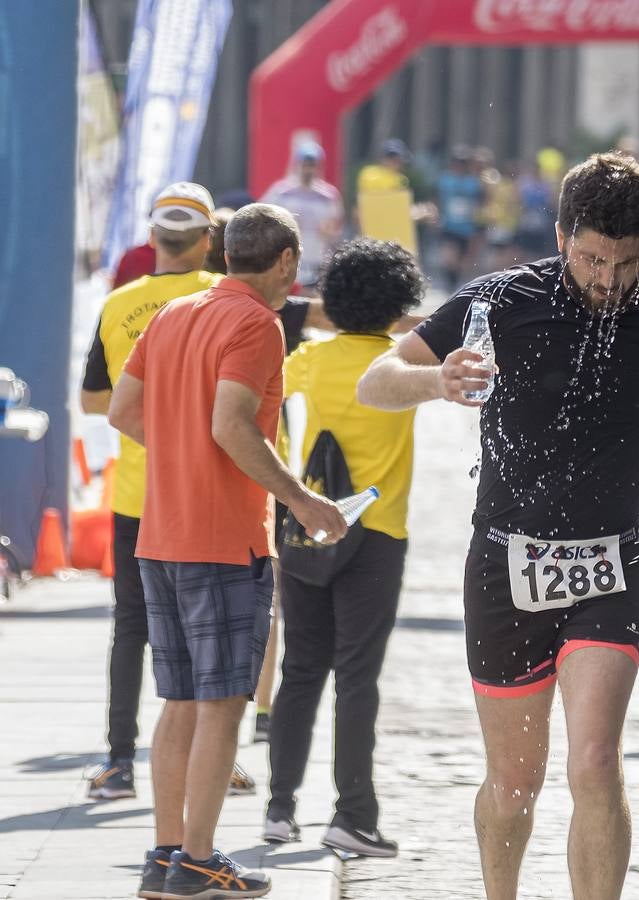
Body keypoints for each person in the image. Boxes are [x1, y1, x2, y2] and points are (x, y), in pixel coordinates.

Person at [356, 152, 639, 900]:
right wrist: (436, 379)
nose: (607, 279)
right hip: (504, 563)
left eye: (625, 262)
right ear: (561, 235)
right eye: (591, 257)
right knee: (514, 782)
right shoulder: (496, 300)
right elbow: (375, 382)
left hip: (611, 564)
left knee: (593, 761)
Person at [107, 203, 348, 899]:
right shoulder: (256, 323)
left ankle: (164, 855)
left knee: (180, 701)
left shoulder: (174, 313)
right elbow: (231, 424)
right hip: (222, 536)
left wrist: (180, 454)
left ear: (221, 251)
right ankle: (203, 859)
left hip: (162, 532)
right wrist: (302, 500)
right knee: (221, 704)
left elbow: (124, 411)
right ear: (286, 263)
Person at [262, 239, 425, 858]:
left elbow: (279, 427)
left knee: (300, 670)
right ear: (397, 302)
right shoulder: (396, 364)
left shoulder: (303, 359)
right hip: (378, 533)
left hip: (304, 525)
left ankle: (280, 809)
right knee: (358, 676)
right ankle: (353, 812)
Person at [81, 182, 230, 801]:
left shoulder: (119, 305)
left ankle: (119, 761)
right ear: (207, 240)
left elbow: (92, 400)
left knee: (131, 627)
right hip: (206, 495)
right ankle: (212, 757)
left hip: (136, 495)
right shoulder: (225, 298)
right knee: (208, 630)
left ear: (151, 239)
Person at [262, 141, 344, 292]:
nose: (308, 169)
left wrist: (329, 232)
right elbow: (263, 219)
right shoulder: (280, 192)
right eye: (305, 164)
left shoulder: (328, 195)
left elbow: (336, 227)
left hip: (317, 258)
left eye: (312, 165)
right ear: (297, 164)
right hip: (288, 257)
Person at [436, 145, 484, 290]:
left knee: (463, 260)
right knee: (449, 256)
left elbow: (481, 201)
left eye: (462, 163)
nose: (459, 166)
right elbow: (436, 199)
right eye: (456, 163)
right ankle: (449, 282)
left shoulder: (474, 183)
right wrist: (436, 217)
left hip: (467, 227)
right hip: (449, 224)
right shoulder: (445, 180)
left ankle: (457, 282)